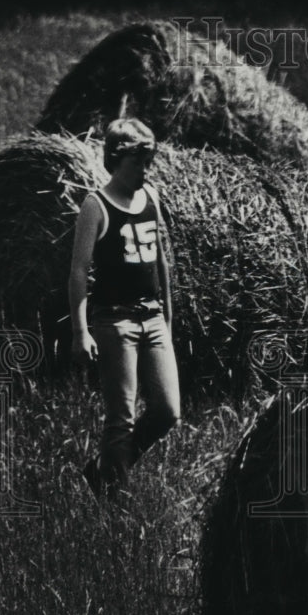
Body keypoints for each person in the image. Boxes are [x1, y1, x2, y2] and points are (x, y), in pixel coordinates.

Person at [69, 118, 180, 499]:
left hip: (152, 317)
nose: (146, 170)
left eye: (149, 161)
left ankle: (102, 471)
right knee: (122, 417)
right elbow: (79, 273)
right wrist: (80, 331)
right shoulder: (95, 206)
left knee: (167, 412)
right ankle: (115, 503)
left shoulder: (152, 197)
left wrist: (167, 313)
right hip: (115, 320)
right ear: (117, 160)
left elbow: (162, 260)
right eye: (139, 162)